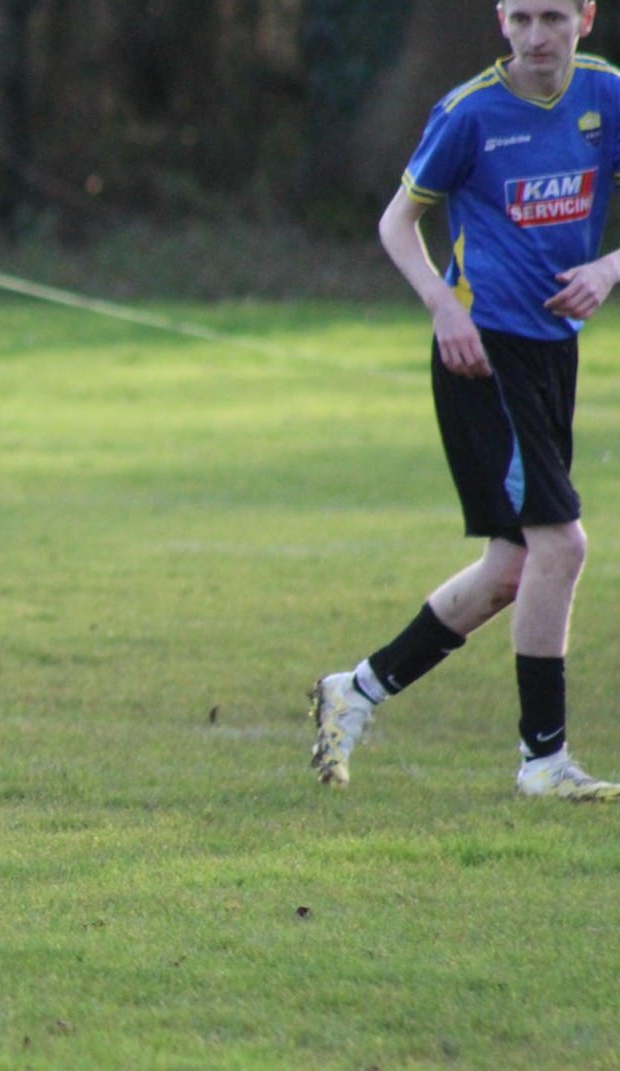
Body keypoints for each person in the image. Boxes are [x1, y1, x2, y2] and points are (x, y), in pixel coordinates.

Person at [309, 0, 620, 800]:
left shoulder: (606, 96)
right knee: (563, 546)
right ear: (500, 21)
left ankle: (357, 689)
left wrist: (609, 267)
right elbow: (396, 222)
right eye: (520, 18)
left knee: (512, 568)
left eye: (553, 16)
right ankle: (543, 761)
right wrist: (443, 306)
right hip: (483, 354)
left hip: (554, 354)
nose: (536, 36)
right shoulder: (471, 111)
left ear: (586, 15)